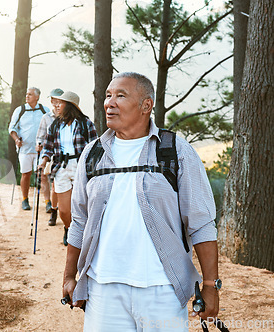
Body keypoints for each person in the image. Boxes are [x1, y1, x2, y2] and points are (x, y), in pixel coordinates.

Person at [62, 72, 220, 331]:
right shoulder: (93, 153)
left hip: (162, 290)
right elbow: (80, 222)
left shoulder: (175, 150)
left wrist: (211, 286)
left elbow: (201, 223)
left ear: (146, 105)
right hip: (103, 290)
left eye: (120, 96)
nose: (109, 103)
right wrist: (69, 276)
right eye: (108, 96)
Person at [39, 91, 97, 246]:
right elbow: (48, 147)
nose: (57, 105)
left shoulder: (86, 123)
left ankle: (78, 236)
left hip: (80, 167)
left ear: (70, 105)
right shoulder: (55, 125)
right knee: (64, 211)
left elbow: (95, 147)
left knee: (81, 205)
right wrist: (43, 161)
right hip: (61, 167)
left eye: (61, 103)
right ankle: (68, 228)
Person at [9, 87, 50, 210]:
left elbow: (51, 129)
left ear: (37, 97)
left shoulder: (44, 110)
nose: (27, 96)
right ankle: (25, 200)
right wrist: (16, 139)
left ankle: (48, 202)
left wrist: (45, 143)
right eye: (26, 94)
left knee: (43, 175)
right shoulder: (20, 110)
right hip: (25, 149)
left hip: (40, 150)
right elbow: (12, 128)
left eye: (30, 94)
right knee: (26, 174)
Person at [36, 88, 63, 225]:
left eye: (59, 100)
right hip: (49, 153)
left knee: (56, 184)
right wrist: (39, 145)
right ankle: (49, 204)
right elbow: (40, 137)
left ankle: (56, 208)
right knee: (45, 178)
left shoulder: (68, 117)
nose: (56, 103)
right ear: (52, 101)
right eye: (54, 100)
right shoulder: (46, 118)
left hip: (63, 156)